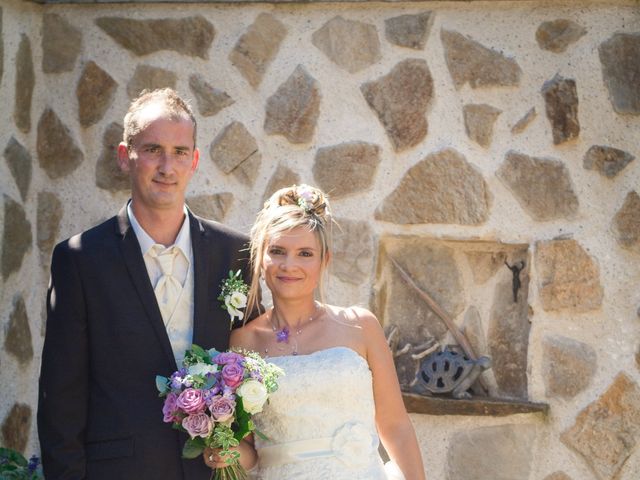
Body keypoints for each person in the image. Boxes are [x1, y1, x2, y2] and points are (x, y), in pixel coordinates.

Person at [37, 88, 252, 480]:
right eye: (153, 149)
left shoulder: (235, 254)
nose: (167, 166)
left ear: (195, 161)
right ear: (125, 156)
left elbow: (257, 364)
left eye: (180, 152)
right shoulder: (80, 260)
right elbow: (60, 400)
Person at [208, 185, 426, 479]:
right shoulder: (243, 342)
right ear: (261, 258)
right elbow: (251, 450)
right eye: (277, 251)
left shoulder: (360, 325)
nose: (289, 265)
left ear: (325, 260)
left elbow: (395, 425)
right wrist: (223, 449)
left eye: (305, 253)